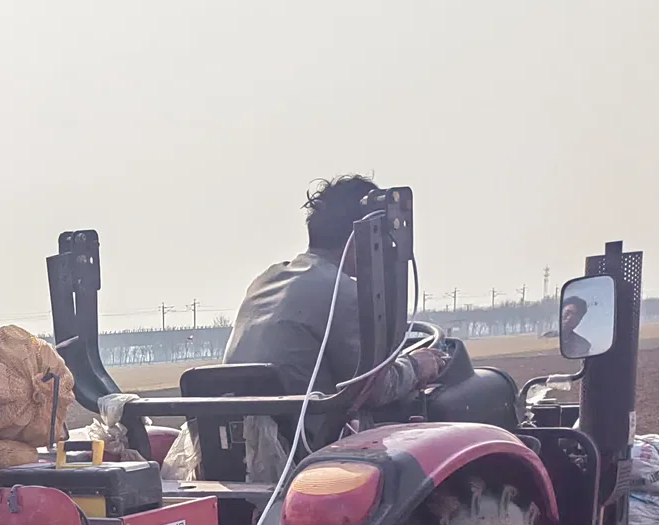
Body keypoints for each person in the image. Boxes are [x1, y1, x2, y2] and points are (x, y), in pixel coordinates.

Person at [163, 175, 449, 487]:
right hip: (306, 453)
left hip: (238, 453)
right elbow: (376, 387)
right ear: (366, 237)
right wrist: (419, 365)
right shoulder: (343, 293)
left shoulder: (267, 280)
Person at [560, 293, 593, 358]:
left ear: (579, 321)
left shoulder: (583, 345)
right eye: (568, 312)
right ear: (561, 312)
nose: (569, 318)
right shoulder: (547, 338)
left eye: (576, 316)